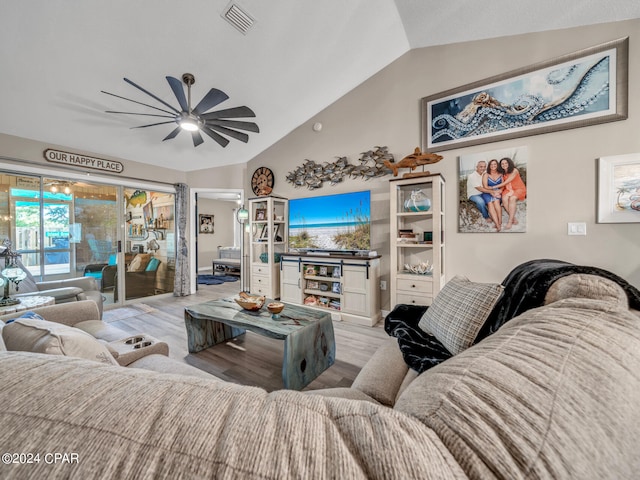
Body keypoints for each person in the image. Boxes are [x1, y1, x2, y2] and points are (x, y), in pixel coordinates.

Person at [495, 157, 527, 230]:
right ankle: (513, 218)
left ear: (509, 163)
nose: (504, 165)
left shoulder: (514, 170)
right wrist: (499, 190)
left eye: (506, 163)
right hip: (508, 189)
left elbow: (506, 181)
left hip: (519, 188)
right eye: (502, 164)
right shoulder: (502, 173)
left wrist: (494, 186)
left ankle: (510, 221)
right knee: (504, 199)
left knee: (512, 199)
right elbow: (504, 184)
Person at [482, 159, 504, 232]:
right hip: (487, 192)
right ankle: (497, 225)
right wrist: (493, 191)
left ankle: (500, 221)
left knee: (497, 202)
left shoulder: (501, 174)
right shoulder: (486, 174)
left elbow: (503, 185)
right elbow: (485, 186)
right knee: (490, 204)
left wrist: (500, 191)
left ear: (497, 165)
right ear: (489, 166)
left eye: (495, 164)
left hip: (498, 192)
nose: (493, 166)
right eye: (491, 164)